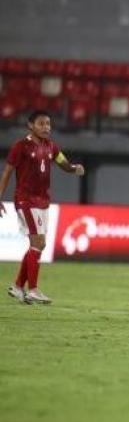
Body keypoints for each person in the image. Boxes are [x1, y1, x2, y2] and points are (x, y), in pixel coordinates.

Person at [0, 110, 85, 304]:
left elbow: (63, 163)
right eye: (41, 124)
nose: (46, 127)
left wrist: (74, 169)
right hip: (25, 200)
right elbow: (7, 172)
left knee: (38, 244)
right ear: (31, 125)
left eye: (48, 124)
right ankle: (34, 289)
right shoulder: (20, 146)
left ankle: (18, 287)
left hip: (42, 201)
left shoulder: (51, 147)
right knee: (38, 243)